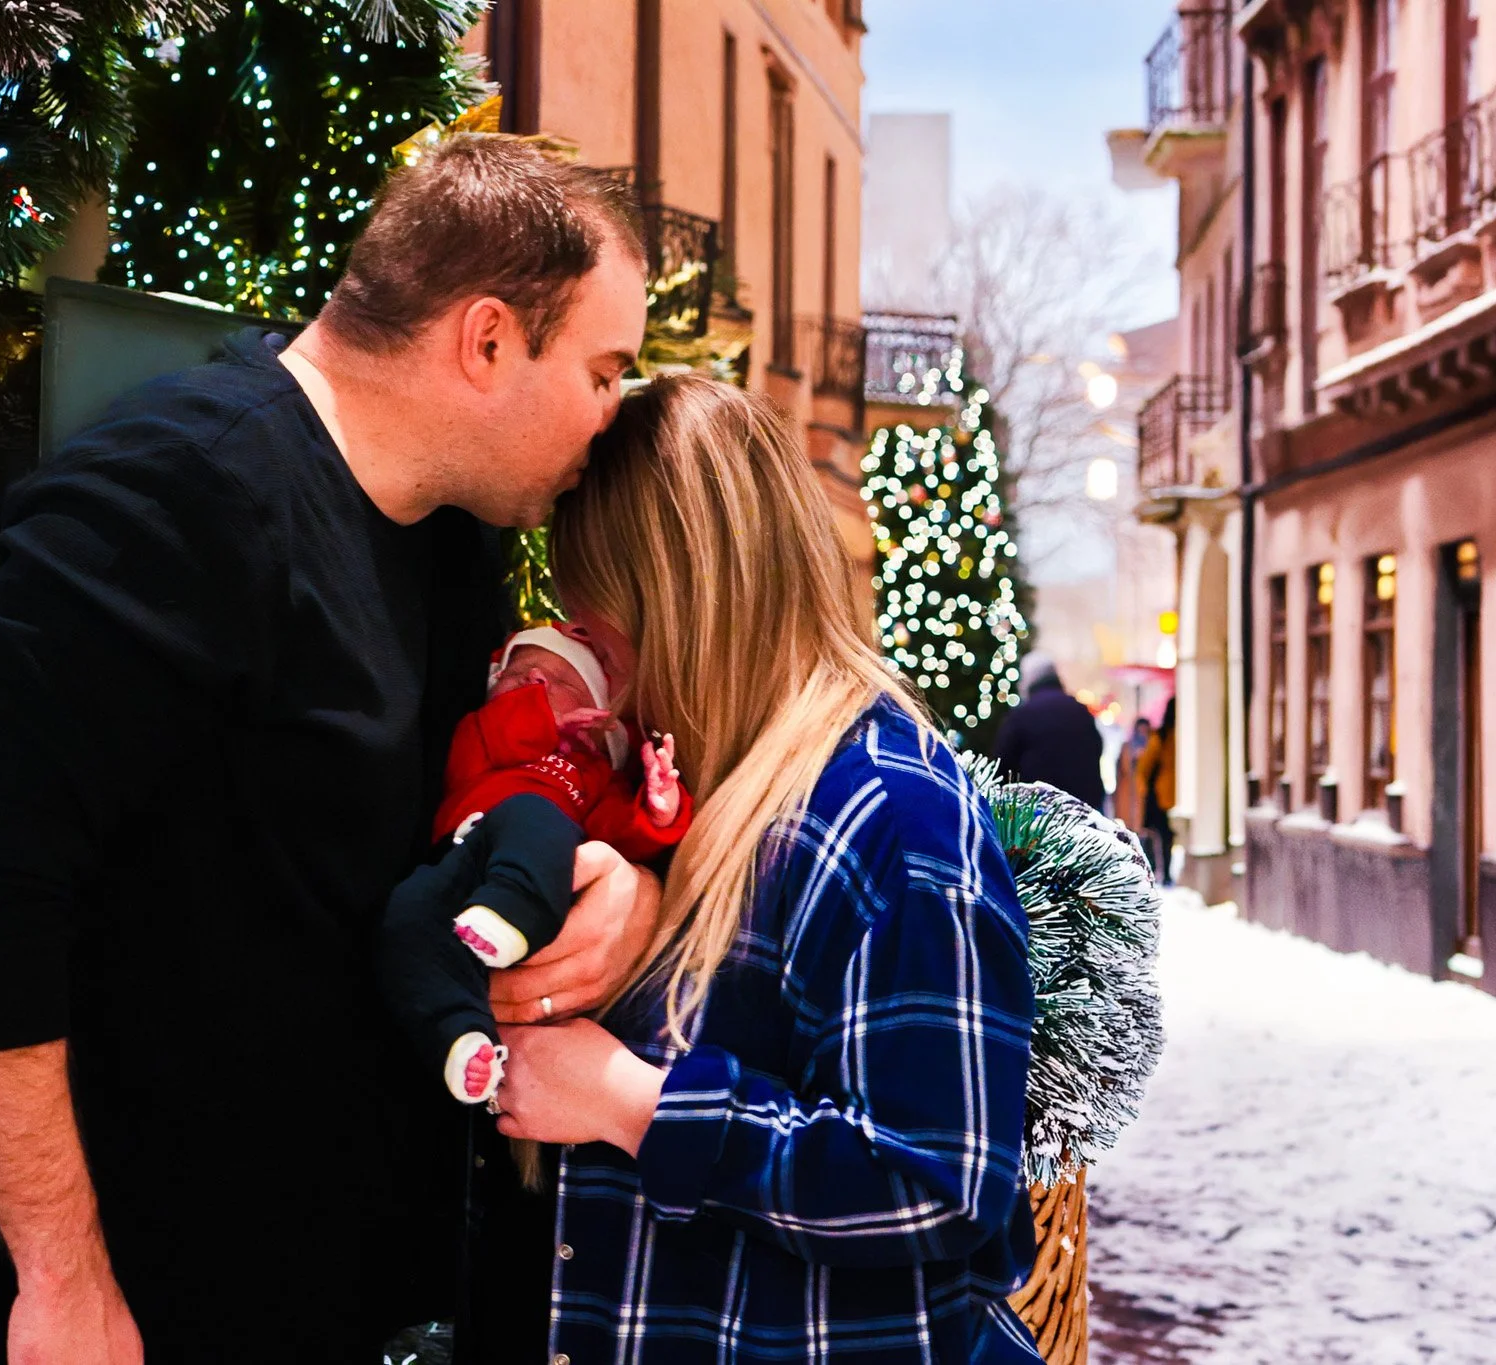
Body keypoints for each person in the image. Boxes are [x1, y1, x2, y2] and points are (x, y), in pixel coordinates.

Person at [0, 137, 658, 1364]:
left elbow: (457, 824)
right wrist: (61, 1281)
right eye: (603, 370)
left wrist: (616, 895)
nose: (612, 412)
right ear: (486, 340)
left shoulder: (445, 536)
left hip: (280, 1280)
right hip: (81, 1301)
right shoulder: (178, 491)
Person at [482, 375, 1041, 1363]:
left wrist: (634, 1103)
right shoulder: (707, 786)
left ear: (686, 610)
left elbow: (937, 1183)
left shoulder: (892, 817)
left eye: (605, 642)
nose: (598, 691)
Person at [378, 624, 690, 1105]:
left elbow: (619, 836)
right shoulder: (482, 740)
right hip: (461, 857)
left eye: (565, 683)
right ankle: (457, 1030)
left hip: (535, 864)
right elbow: (482, 740)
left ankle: (503, 945)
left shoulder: (590, 777)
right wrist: (539, 719)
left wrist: (657, 809)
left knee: (536, 818)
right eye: (520, 673)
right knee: (407, 913)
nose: (537, 682)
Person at [992, 651, 1107, 810]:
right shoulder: (1080, 710)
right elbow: (1098, 747)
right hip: (1085, 808)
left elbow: (1002, 764)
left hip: (1041, 813)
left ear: (1028, 679)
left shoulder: (1022, 715)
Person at [1139, 699, 1178, 886]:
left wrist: (1144, 789)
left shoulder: (1160, 736)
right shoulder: (1166, 737)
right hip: (1166, 793)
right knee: (1164, 835)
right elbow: (1146, 766)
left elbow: (1144, 767)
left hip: (1162, 793)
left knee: (1159, 834)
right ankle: (1163, 872)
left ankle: (1157, 870)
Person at [1115, 715, 1153, 830]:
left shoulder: (1151, 747)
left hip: (1143, 793)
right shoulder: (1127, 747)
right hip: (1128, 792)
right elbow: (1124, 769)